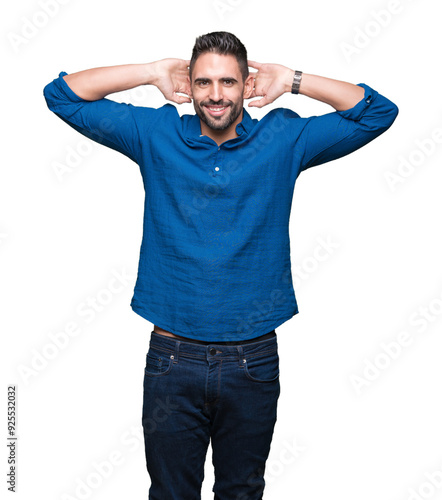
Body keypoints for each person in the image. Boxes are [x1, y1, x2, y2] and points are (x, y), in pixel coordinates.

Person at [43, 31, 398, 499]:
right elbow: (63, 96)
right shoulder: (156, 134)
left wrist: (292, 80)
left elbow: (377, 112)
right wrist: (151, 72)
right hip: (173, 359)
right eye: (204, 82)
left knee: (242, 492)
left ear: (246, 84)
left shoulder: (283, 136)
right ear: (188, 84)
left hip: (252, 360)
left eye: (228, 82)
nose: (215, 95)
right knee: (171, 494)